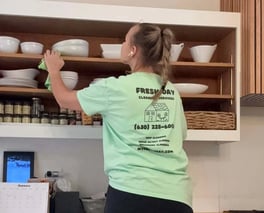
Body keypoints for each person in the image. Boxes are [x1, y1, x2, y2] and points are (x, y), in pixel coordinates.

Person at [44, 23, 193, 213]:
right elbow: (180, 136)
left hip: (132, 195)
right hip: (177, 197)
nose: (122, 44)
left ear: (132, 50)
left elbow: (64, 99)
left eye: (125, 40)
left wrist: (53, 70)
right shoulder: (171, 90)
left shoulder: (115, 88)